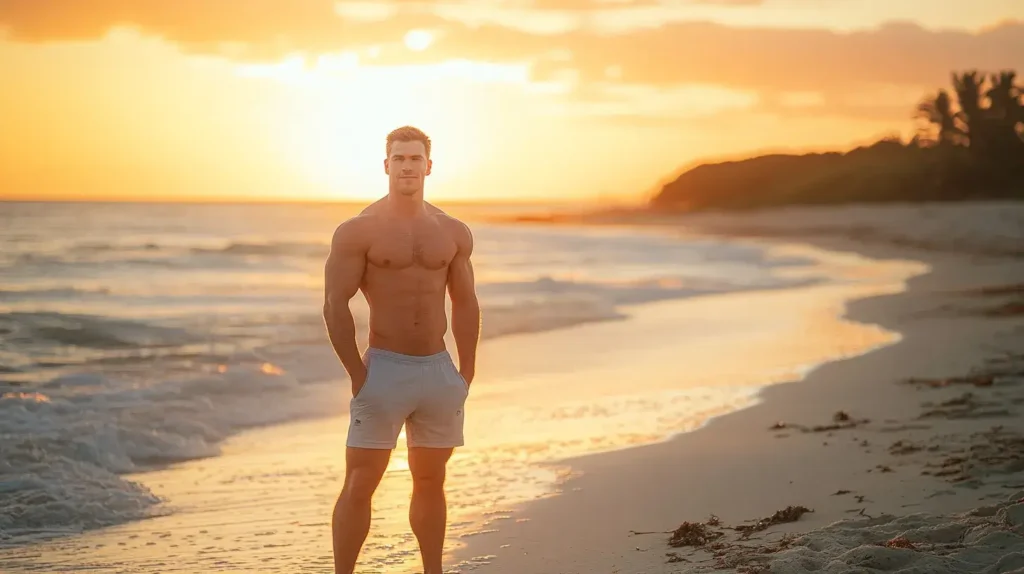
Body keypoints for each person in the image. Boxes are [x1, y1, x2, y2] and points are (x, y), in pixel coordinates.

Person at [322, 125, 481, 574]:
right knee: (360, 482)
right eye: (399, 158)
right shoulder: (358, 231)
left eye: (415, 159)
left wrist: (465, 371)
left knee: (432, 480)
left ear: (429, 167)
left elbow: (466, 302)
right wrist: (357, 372)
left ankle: (433, 570)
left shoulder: (453, 232)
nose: (407, 166)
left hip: (437, 370)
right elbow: (335, 304)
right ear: (386, 165)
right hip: (384, 371)